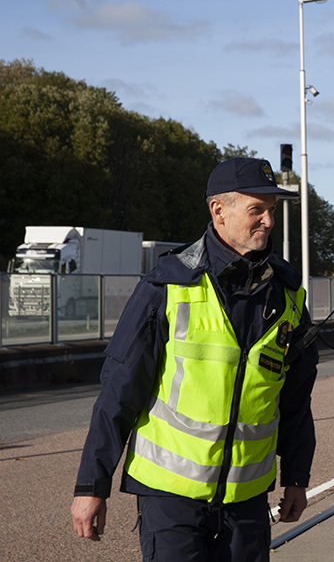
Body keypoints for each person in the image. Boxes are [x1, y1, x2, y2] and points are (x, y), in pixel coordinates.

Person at [71, 157, 318, 562]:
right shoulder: (167, 286)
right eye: (257, 210)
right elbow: (119, 392)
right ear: (219, 211)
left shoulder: (288, 295)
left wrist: (296, 478)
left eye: (271, 211)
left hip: (247, 502)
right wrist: (90, 487)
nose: (268, 222)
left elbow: (295, 399)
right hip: (171, 501)